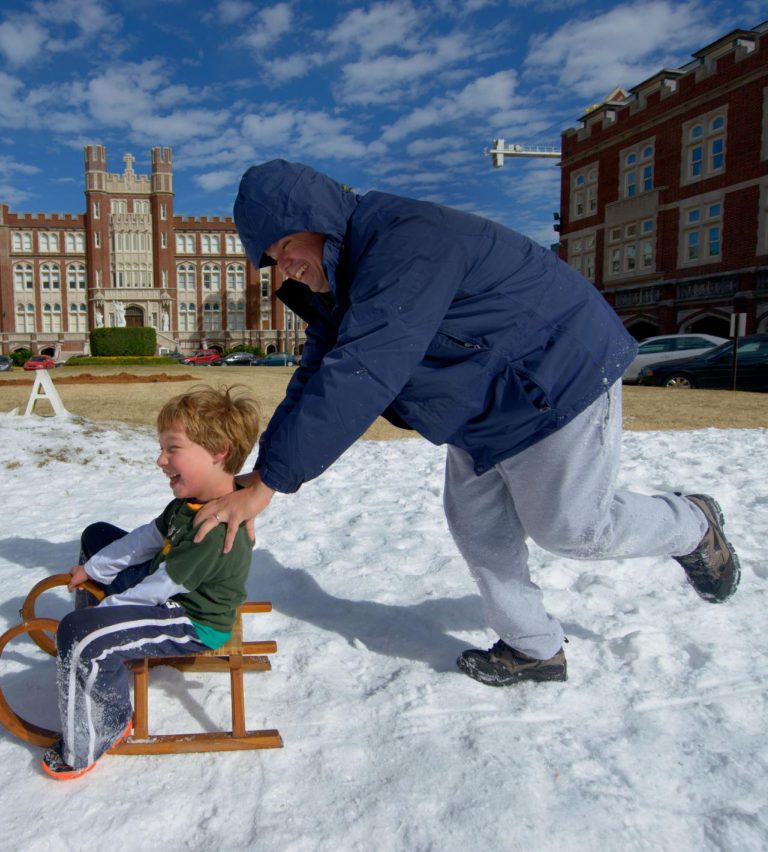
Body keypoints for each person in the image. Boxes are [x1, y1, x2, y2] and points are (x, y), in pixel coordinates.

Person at [192, 158, 741, 687]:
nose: (282, 265)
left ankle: (691, 523)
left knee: (573, 528)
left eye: (287, 244)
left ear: (323, 223)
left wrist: (269, 486)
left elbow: (363, 369)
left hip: (553, 376)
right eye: (270, 257)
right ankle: (534, 648)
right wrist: (264, 471)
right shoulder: (340, 284)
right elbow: (318, 373)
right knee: (478, 527)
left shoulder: (405, 240)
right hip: (481, 399)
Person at [41, 385, 261, 779]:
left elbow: (161, 587)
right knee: (97, 535)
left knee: (79, 631)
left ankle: (102, 727)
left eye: (172, 448)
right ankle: (97, 652)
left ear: (219, 451)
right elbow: (145, 538)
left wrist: (106, 613)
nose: (160, 460)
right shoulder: (187, 503)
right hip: (164, 586)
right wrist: (95, 569)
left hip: (189, 618)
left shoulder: (216, 530)